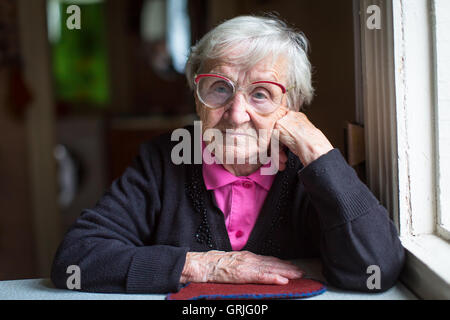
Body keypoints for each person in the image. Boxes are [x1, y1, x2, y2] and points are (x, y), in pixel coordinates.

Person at [51, 15, 405, 294]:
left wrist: (317, 149)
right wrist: (203, 266)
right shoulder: (163, 161)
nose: (236, 114)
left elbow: (376, 268)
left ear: (292, 107)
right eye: (219, 88)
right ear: (196, 98)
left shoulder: (310, 171)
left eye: (262, 94)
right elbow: (76, 261)